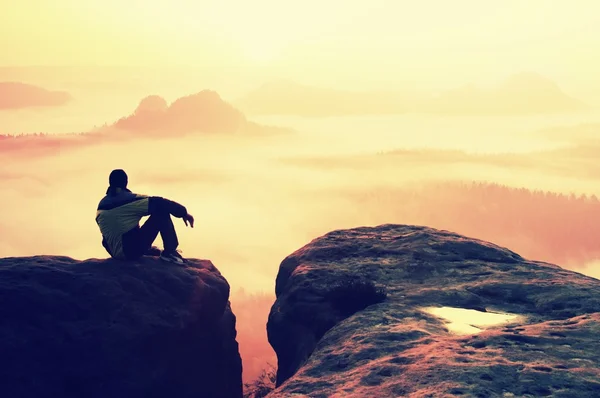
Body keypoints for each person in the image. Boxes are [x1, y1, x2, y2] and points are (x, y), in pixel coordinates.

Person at [95, 169, 194, 265]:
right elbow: (160, 203)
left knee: (122, 226)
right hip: (130, 252)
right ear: (126, 182)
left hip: (113, 253)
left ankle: (144, 250)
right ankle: (170, 252)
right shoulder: (130, 200)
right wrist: (183, 213)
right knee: (161, 213)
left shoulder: (101, 206)